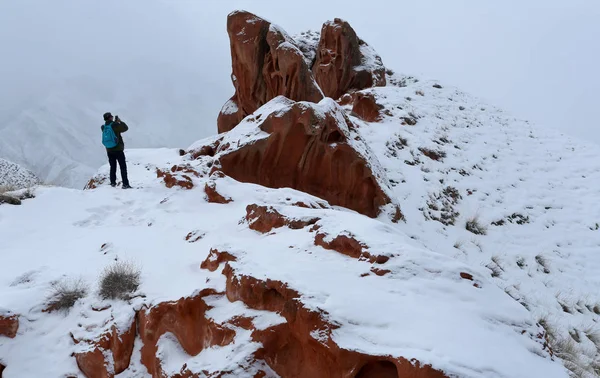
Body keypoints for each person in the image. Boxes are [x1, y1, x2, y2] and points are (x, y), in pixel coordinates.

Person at [101, 112, 131, 189]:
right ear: (110, 117)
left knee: (113, 166)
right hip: (118, 149)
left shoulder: (103, 127)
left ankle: (113, 182)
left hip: (109, 150)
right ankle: (125, 184)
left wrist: (115, 122)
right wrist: (119, 121)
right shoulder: (115, 125)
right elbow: (125, 128)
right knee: (123, 167)